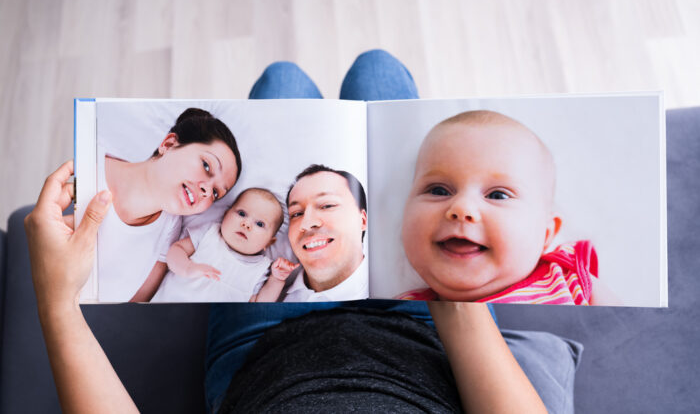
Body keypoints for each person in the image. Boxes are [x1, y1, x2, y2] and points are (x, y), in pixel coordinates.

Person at [27, 51, 578, 413]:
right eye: (295, 211)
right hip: (424, 326)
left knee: (283, 80)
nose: (301, 221)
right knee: (377, 69)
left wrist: (56, 302)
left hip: (262, 343)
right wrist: (451, 280)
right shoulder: (406, 258)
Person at [399, 110, 620, 305]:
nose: (462, 207)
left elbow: (633, 335)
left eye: (498, 195)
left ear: (546, 235)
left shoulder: (570, 282)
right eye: (439, 191)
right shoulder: (397, 313)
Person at [98, 107, 242, 302]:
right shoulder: (90, 163)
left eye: (216, 193)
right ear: (169, 143)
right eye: (206, 166)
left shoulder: (169, 231)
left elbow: (136, 303)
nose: (207, 191)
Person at [152, 187, 298, 302]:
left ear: (269, 242)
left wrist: (277, 279)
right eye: (241, 213)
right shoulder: (209, 234)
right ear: (226, 214)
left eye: (259, 224)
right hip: (166, 306)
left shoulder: (261, 269)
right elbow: (176, 250)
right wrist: (187, 267)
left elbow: (259, 303)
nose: (246, 224)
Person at [282, 164, 368, 302]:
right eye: (296, 213)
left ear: (362, 220)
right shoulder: (269, 298)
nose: (306, 223)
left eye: (327, 205)